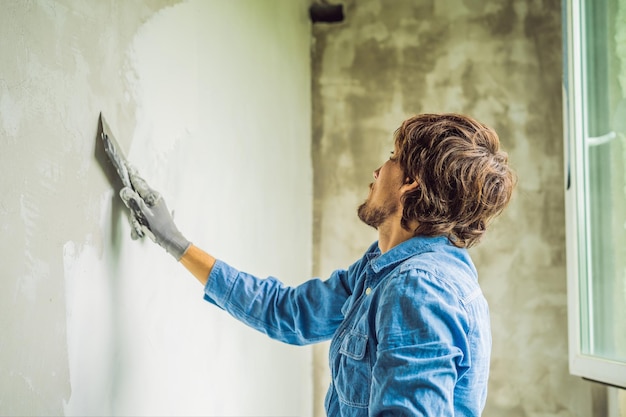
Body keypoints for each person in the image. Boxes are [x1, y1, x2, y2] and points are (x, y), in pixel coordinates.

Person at [119, 113, 515, 416]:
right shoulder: (381, 270)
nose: (377, 171)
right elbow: (287, 313)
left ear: (411, 182)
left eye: (392, 158)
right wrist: (175, 242)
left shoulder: (419, 288)